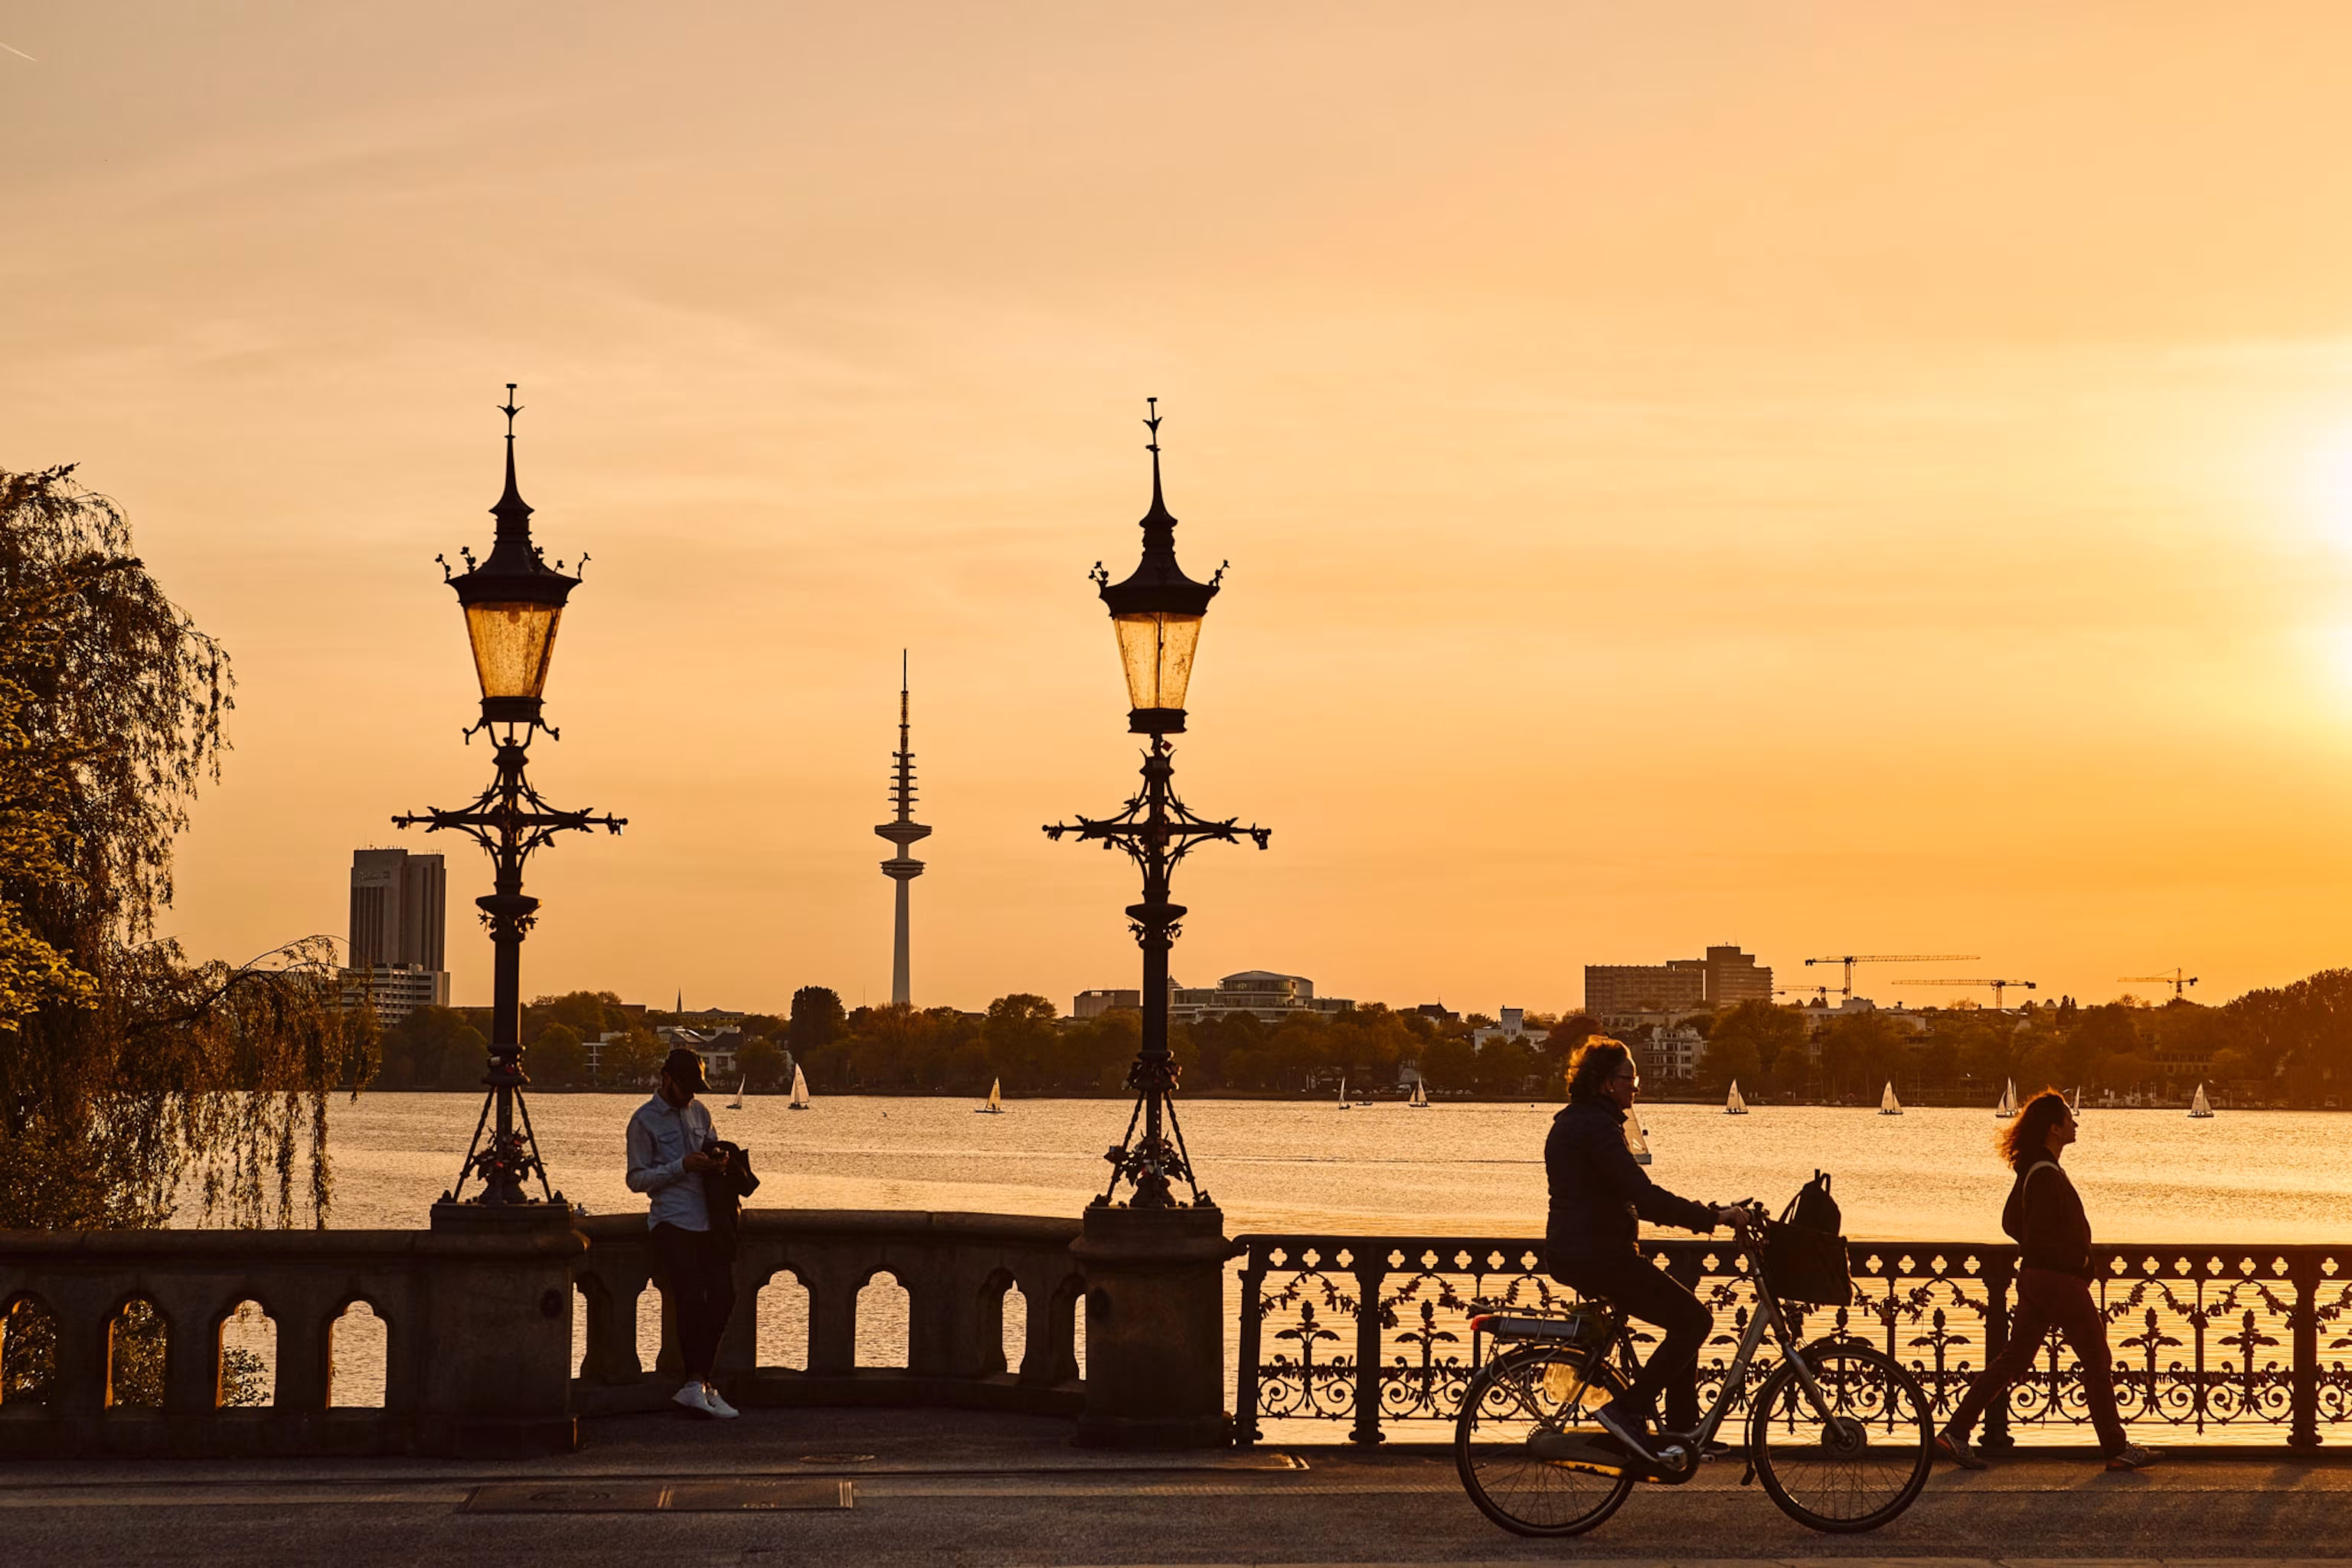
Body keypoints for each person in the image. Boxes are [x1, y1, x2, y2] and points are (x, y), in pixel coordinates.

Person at [1936, 1090, 2159, 1472]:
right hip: (2058, 1280)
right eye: (2070, 1119)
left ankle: (1956, 1431)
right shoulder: (2044, 1174)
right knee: (2095, 1357)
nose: (2075, 1124)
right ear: (2054, 1129)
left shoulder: (2036, 1169)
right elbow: (2036, 1233)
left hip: (2037, 1279)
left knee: (2015, 1358)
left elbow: (2012, 1223)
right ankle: (2117, 1448)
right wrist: (2078, 1259)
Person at [1545, 1037, 1744, 1459]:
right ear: (1604, 1083)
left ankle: (1682, 1433)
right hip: (1598, 1254)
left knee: (1684, 1317)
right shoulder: (1596, 1128)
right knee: (1693, 1321)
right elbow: (1644, 1196)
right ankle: (1631, 1413)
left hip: (1583, 1250)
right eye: (1628, 1078)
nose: (1636, 1086)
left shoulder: (1579, 1121)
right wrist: (1712, 1218)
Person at [626, 1047, 740, 1419]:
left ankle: (701, 1384)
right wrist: (681, 1166)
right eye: (685, 1086)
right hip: (672, 1221)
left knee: (724, 1296)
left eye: (695, 1087)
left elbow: (713, 1147)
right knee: (691, 1299)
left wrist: (719, 1161)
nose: (691, 1094)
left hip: (709, 1220)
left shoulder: (701, 1113)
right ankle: (697, 1384)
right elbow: (636, 1179)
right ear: (666, 1078)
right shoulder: (643, 1122)